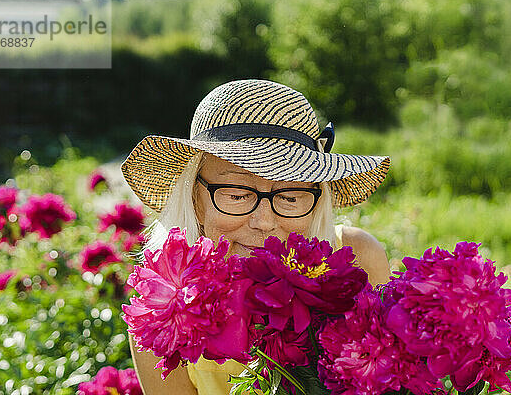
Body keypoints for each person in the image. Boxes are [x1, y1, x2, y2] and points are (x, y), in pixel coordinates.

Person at [120, 79, 391, 395]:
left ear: (318, 198)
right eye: (236, 194)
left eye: (290, 196)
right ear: (194, 197)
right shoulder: (162, 313)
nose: (264, 221)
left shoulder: (358, 256)